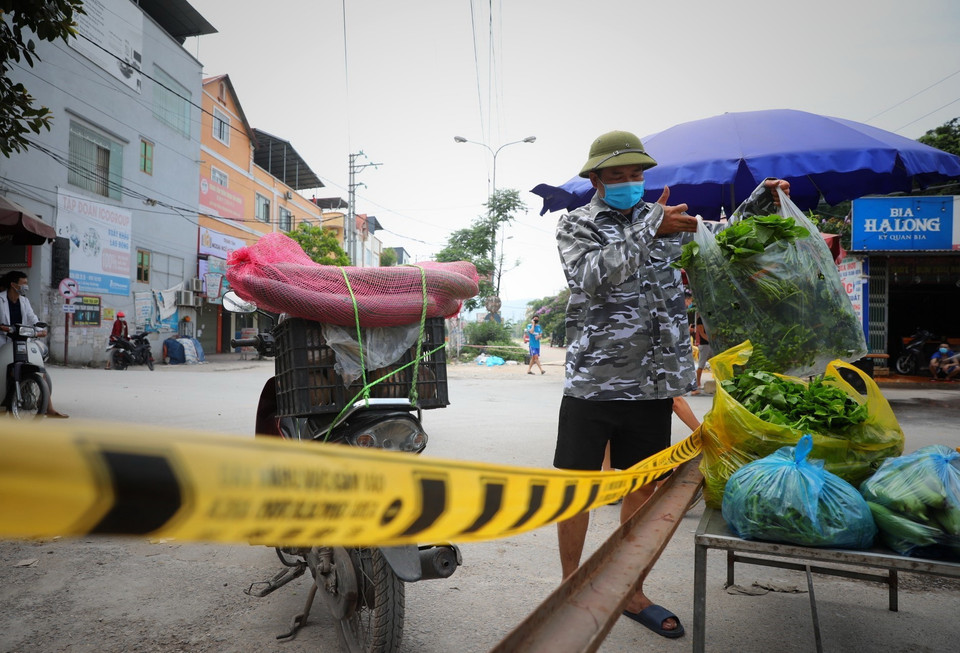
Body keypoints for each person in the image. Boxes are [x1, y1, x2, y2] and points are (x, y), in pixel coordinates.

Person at [554, 130, 789, 639]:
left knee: (644, 488)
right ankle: (570, 586)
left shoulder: (663, 221)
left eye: (636, 174)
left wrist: (760, 200)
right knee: (577, 491)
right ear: (595, 179)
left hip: (652, 385)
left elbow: (720, 241)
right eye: (616, 175)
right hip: (593, 384)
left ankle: (632, 589)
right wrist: (650, 231)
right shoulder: (576, 224)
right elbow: (590, 276)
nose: (629, 183)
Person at [0, 271, 68, 417]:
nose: (26, 286)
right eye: (23, 283)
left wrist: (40, 330)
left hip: (21, 340)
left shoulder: (24, 302)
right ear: (13, 284)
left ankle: (48, 408)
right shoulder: (0, 300)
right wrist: (4, 327)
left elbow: (33, 319)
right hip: (2, 340)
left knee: (39, 368)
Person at [692, 313, 712, 394]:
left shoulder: (710, 319)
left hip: (710, 345)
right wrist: (709, 339)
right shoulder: (700, 320)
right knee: (701, 364)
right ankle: (698, 383)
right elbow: (701, 333)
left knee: (715, 362)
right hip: (704, 345)